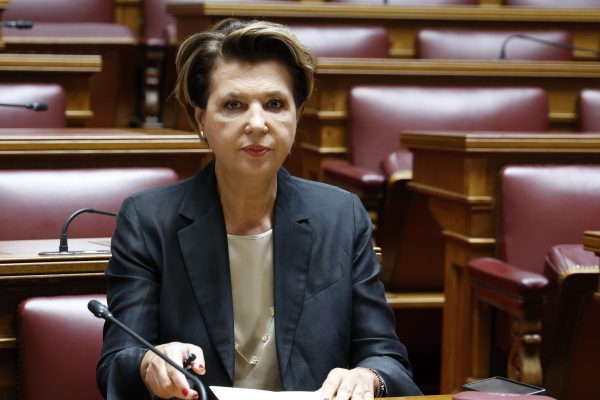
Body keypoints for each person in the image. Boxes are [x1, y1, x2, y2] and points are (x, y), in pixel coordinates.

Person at [96, 18, 422, 400]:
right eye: (233, 105)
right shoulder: (148, 220)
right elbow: (116, 362)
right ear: (201, 120)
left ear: (297, 115)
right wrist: (149, 363)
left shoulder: (341, 217)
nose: (257, 123)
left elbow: (386, 357)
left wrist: (368, 377)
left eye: (275, 104)